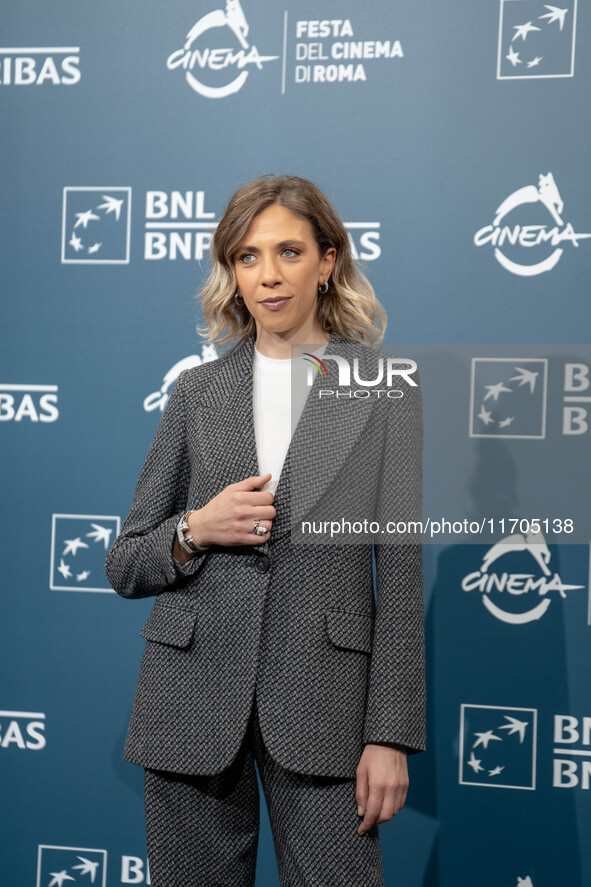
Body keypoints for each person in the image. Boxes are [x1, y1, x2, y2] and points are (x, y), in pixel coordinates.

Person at [105, 174, 425, 887]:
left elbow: (400, 577)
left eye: (287, 251)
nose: (268, 275)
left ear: (327, 259)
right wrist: (194, 528)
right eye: (247, 256)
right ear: (231, 271)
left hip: (325, 706)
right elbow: (125, 561)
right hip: (189, 700)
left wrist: (389, 735)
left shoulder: (384, 390)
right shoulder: (196, 390)